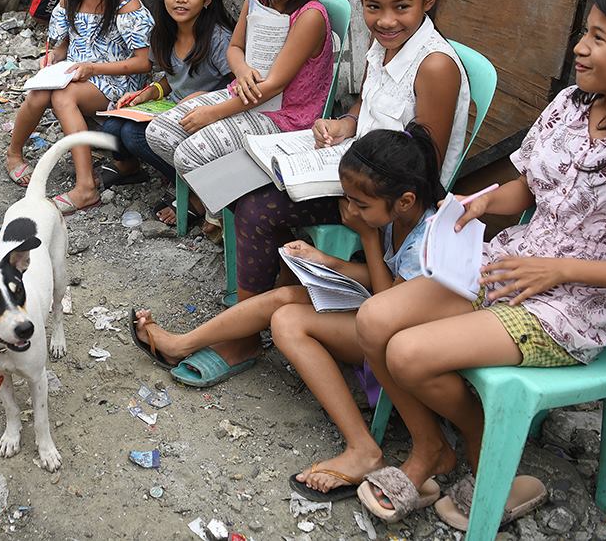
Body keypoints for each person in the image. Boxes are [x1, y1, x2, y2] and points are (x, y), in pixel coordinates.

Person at [354, 0, 606, 528]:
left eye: (600, 38)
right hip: (508, 267)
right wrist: (480, 202)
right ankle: (437, 448)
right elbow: (528, 187)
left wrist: (560, 270)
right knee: (375, 319)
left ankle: (487, 457)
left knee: (408, 353)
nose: (580, 47)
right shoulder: (571, 105)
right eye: (586, 32)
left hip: (571, 308)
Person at [161, 0, 470, 386]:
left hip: (386, 198)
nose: (386, 20)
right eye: (373, 7)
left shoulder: (434, 65)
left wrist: (353, 181)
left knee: (258, 209)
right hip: (353, 166)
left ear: (429, 0)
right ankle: (272, 292)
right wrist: (344, 124)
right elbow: (367, 104)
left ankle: (245, 337)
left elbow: (424, 164)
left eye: (401, 7)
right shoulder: (384, 47)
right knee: (239, 180)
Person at [135, 124, 443, 497]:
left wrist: (367, 237)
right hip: (378, 314)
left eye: (361, 206)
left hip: (390, 342)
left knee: (286, 322)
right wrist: (326, 261)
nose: (351, 211)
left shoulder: (426, 241)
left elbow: (386, 305)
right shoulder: (400, 218)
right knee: (283, 299)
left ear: (405, 200)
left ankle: (364, 449)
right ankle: (181, 344)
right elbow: (384, 278)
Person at [145, 0, 334, 226]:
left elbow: (273, 86)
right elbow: (234, 48)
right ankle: (213, 198)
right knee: (159, 133)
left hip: (284, 116)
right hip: (244, 95)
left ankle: (223, 213)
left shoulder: (310, 17)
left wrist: (214, 113)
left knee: (189, 154)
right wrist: (243, 70)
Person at [6, 0, 154, 212]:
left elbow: (143, 62)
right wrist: (52, 58)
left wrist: (95, 68)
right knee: (40, 93)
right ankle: (13, 153)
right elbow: (62, 46)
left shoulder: (126, 4)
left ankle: (85, 187)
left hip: (117, 82)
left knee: (63, 96)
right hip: (77, 74)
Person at [98, 0, 233, 190]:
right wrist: (149, 93)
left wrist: (205, 99)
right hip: (171, 107)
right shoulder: (163, 33)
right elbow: (172, 78)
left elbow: (237, 87)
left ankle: (195, 190)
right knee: (112, 126)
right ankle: (132, 170)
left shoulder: (219, 40)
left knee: (133, 134)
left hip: (206, 116)